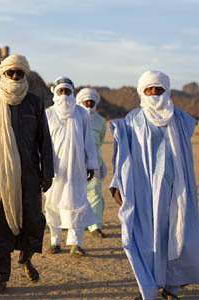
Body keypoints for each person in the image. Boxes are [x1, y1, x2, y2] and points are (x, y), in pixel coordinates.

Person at [110, 70, 199, 300]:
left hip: (175, 190)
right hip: (144, 191)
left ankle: (172, 288)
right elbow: (123, 155)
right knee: (146, 239)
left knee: (177, 237)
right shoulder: (133, 119)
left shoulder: (180, 119)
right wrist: (118, 183)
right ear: (142, 91)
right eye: (149, 89)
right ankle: (148, 288)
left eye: (158, 89)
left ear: (166, 91)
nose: (153, 93)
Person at [0, 54, 54, 294]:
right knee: (0, 223)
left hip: (29, 172)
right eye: (11, 72)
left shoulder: (35, 103)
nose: (15, 76)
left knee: (33, 220)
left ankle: (26, 259)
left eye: (19, 73)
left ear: (25, 74)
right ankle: (1, 276)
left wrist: (47, 172)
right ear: (2, 74)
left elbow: (44, 140)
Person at [45, 76, 98, 257]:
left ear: (72, 92)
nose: (65, 95)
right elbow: (42, 144)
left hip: (77, 168)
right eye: (61, 91)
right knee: (53, 204)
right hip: (54, 169)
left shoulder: (81, 113)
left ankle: (76, 244)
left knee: (77, 204)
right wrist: (42, 167)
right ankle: (55, 241)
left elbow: (88, 141)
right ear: (55, 93)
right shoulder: (48, 114)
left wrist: (91, 164)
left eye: (68, 91)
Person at [76, 88, 107, 238]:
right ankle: (68, 224)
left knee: (95, 193)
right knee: (72, 193)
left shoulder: (101, 121)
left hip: (95, 162)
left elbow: (100, 141)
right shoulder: (73, 117)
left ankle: (95, 226)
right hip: (75, 161)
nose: (88, 105)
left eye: (91, 102)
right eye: (86, 102)